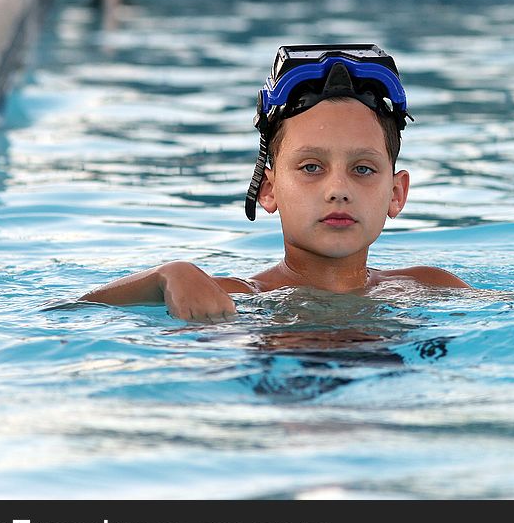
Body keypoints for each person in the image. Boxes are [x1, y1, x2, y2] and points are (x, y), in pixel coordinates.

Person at [80, 44, 471, 322]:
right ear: (269, 190)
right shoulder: (239, 297)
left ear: (396, 193)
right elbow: (75, 310)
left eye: (363, 169)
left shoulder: (431, 286)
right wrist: (168, 275)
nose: (338, 189)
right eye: (311, 168)